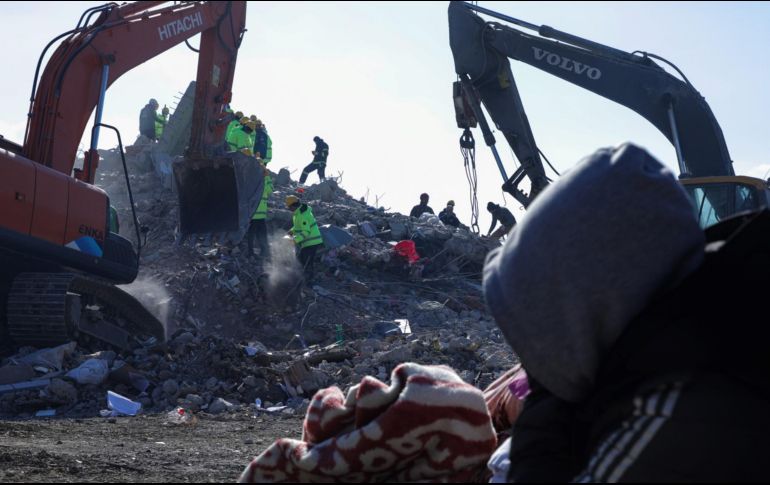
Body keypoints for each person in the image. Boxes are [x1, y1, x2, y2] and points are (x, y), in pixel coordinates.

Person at [483, 143, 770, 482]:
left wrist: (546, 400)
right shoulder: (685, 337)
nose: (530, 356)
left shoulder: (688, 408)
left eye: (538, 329)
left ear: (587, 309)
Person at [286, 195, 324, 281]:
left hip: (312, 241)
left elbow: (306, 231)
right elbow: (298, 227)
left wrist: (295, 240)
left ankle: (308, 281)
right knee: (301, 260)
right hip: (307, 242)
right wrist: (291, 231)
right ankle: (300, 278)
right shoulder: (298, 213)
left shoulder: (302, 215)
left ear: (293, 205)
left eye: (289, 207)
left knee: (307, 262)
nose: (289, 209)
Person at [247, 161, 273, 260]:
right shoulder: (254, 180)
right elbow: (269, 189)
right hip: (254, 215)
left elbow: (270, 190)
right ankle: (251, 252)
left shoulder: (259, 179)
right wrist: (267, 177)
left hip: (259, 216)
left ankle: (263, 252)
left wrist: (266, 177)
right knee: (253, 234)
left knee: (260, 234)